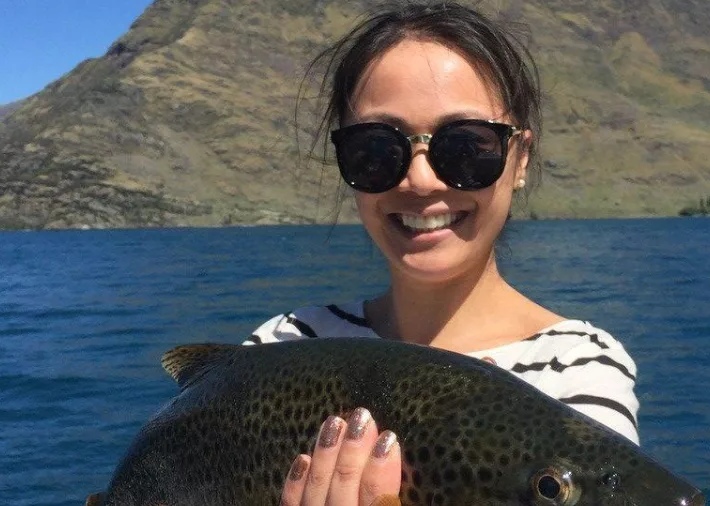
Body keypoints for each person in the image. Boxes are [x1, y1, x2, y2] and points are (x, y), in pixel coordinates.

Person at [244, 2, 640, 505]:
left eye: (467, 146)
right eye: (376, 149)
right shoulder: (281, 346)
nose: (421, 179)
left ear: (520, 159)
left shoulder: (578, 366)